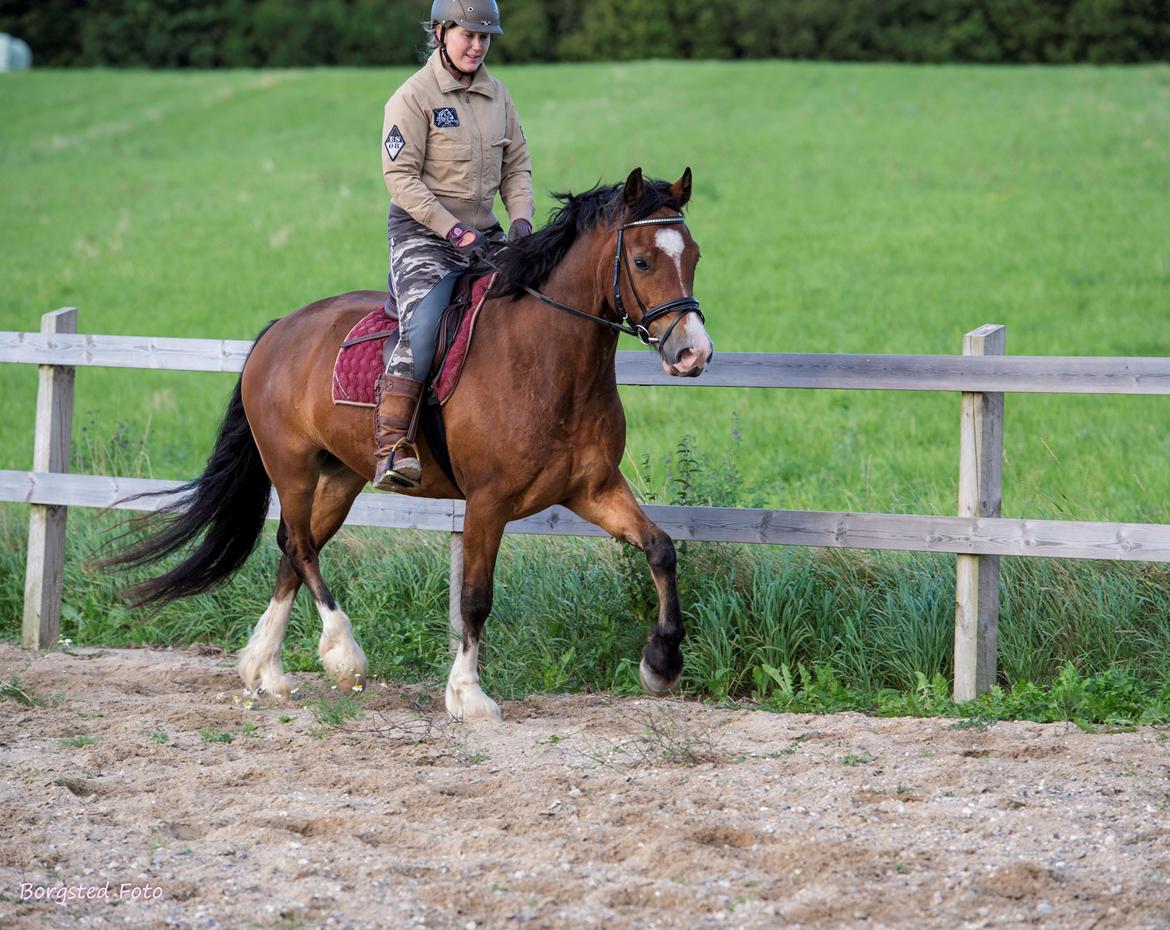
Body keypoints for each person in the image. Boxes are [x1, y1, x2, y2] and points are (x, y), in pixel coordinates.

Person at [375, 0, 535, 491]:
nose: (477, 45)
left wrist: (523, 221)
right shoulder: (413, 97)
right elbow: (400, 178)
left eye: (485, 38)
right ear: (441, 32)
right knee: (425, 324)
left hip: (484, 237)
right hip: (423, 237)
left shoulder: (498, 96)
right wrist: (451, 229)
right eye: (468, 35)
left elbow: (517, 168)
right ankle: (391, 446)